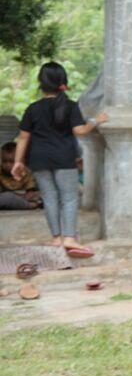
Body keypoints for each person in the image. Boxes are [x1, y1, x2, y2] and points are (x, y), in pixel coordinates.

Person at [10, 62, 106, 256]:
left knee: (50, 198)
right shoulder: (70, 107)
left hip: (39, 160)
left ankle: (56, 238)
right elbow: (80, 131)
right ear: (62, 83)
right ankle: (69, 238)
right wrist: (96, 120)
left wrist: (18, 162)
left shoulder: (33, 108)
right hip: (63, 159)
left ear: (41, 83)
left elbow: (23, 137)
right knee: (69, 198)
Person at [0, 142, 39, 211]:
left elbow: (31, 188)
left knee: (42, 195)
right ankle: (32, 206)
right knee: (8, 197)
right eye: (4, 161)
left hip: (24, 197)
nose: (8, 165)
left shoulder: (26, 171)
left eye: (12, 162)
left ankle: (32, 204)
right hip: (8, 196)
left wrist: (30, 193)